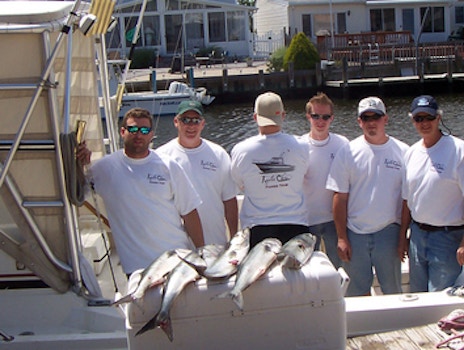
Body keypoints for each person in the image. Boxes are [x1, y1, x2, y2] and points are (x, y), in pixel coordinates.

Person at [76, 107, 204, 277]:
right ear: (123, 132)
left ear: (151, 135)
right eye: (133, 129)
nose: (138, 135)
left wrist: (201, 254)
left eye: (144, 130)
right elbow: (77, 194)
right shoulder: (103, 169)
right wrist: (78, 164)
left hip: (177, 261)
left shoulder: (169, 166)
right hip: (136, 267)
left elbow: (189, 213)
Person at [327, 97, 408, 296]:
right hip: (355, 234)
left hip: (389, 232)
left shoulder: (404, 152)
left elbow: (408, 200)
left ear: (386, 119)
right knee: (355, 291)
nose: (371, 122)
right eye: (366, 118)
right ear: (359, 122)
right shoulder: (346, 152)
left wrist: (402, 237)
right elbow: (339, 197)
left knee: (392, 290)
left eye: (376, 117)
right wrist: (342, 238)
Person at [399, 95, 464, 293]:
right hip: (417, 236)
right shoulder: (411, 153)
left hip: (447, 238)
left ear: (439, 118)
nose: (424, 123)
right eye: (419, 119)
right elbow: (406, 200)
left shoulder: (459, 150)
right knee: (418, 293)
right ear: (412, 121)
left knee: (439, 295)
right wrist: (402, 237)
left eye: (429, 117)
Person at [230, 91, 309, 247]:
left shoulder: (241, 150)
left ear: (255, 117)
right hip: (296, 226)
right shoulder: (302, 146)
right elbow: (304, 172)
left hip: (257, 228)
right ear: (283, 116)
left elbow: (239, 182)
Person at [157, 100, 238, 245]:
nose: (191, 125)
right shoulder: (161, 156)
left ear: (202, 124)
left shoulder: (218, 154)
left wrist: (233, 239)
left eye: (196, 120)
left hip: (215, 243)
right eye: (185, 120)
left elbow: (229, 200)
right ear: (176, 122)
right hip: (177, 247)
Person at [300, 92, 349, 268]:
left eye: (325, 117)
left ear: (332, 118)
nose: (320, 121)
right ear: (308, 117)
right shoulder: (298, 146)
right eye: (315, 116)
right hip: (306, 221)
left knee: (338, 268)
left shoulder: (343, 144)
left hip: (334, 221)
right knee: (309, 271)